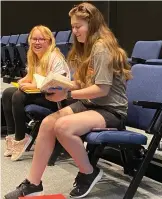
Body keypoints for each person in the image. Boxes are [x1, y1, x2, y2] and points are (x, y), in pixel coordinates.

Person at [4, 2, 132, 199]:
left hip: (111, 111)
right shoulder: (87, 47)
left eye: (78, 26)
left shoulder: (102, 48)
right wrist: (62, 85)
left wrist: (67, 95)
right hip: (91, 104)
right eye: (72, 26)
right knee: (47, 123)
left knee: (63, 127)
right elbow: (83, 82)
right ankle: (33, 183)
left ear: (93, 24)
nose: (74, 31)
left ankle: (89, 173)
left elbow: (102, 89)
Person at [2, 25, 70, 162]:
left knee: (18, 96)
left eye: (41, 39)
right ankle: (11, 134)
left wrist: (31, 85)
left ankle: (20, 139)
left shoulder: (55, 57)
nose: (37, 42)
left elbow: (56, 85)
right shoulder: (34, 56)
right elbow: (30, 75)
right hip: (40, 94)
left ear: (49, 41)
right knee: (8, 92)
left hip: (55, 99)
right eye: (34, 39)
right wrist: (23, 81)